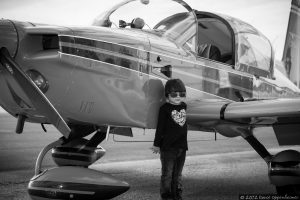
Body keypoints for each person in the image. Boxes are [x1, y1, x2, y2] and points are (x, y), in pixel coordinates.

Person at [151, 79, 188, 200]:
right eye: (174, 94)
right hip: (168, 148)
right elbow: (160, 128)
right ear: (167, 95)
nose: (178, 97)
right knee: (167, 174)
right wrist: (156, 145)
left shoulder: (183, 106)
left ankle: (177, 195)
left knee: (178, 175)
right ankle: (166, 195)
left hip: (182, 147)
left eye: (181, 94)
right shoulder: (164, 109)